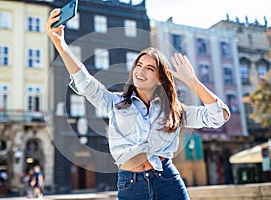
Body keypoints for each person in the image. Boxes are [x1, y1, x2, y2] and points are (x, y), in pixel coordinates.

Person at [46, 9, 230, 200]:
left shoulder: (175, 111)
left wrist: (192, 81)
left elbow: (219, 116)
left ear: (160, 79)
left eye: (149, 68)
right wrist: (60, 43)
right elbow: (84, 82)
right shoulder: (115, 102)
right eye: (139, 65)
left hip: (167, 180)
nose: (140, 71)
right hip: (131, 185)